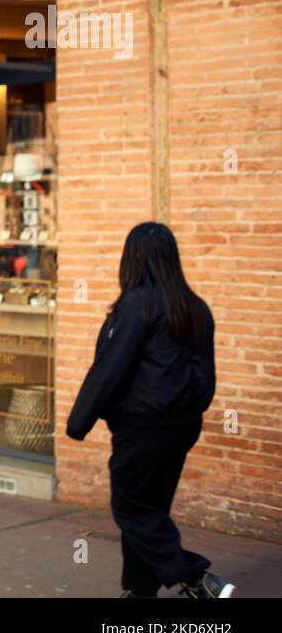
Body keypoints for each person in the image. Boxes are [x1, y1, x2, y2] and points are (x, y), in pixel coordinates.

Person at [66, 221, 234, 598]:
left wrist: (79, 422)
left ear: (133, 258)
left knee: (131, 509)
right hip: (182, 426)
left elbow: (110, 367)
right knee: (150, 508)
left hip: (142, 428)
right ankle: (140, 590)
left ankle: (197, 578)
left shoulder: (137, 304)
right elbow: (206, 374)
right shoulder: (196, 307)